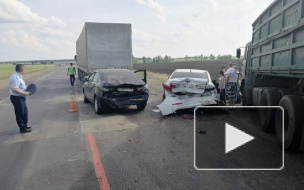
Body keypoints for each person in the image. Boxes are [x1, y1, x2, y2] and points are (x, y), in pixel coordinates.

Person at [9, 64, 32, 133]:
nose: (24, 70)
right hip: (17, 98)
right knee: (20, 113)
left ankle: (24, 125)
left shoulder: (18, 76)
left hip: (20, 98)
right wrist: (24, 93)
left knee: (24, 112)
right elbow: (14, 89)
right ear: (22, 70)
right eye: (24, 69)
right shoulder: (15, 77)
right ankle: (22, 128)